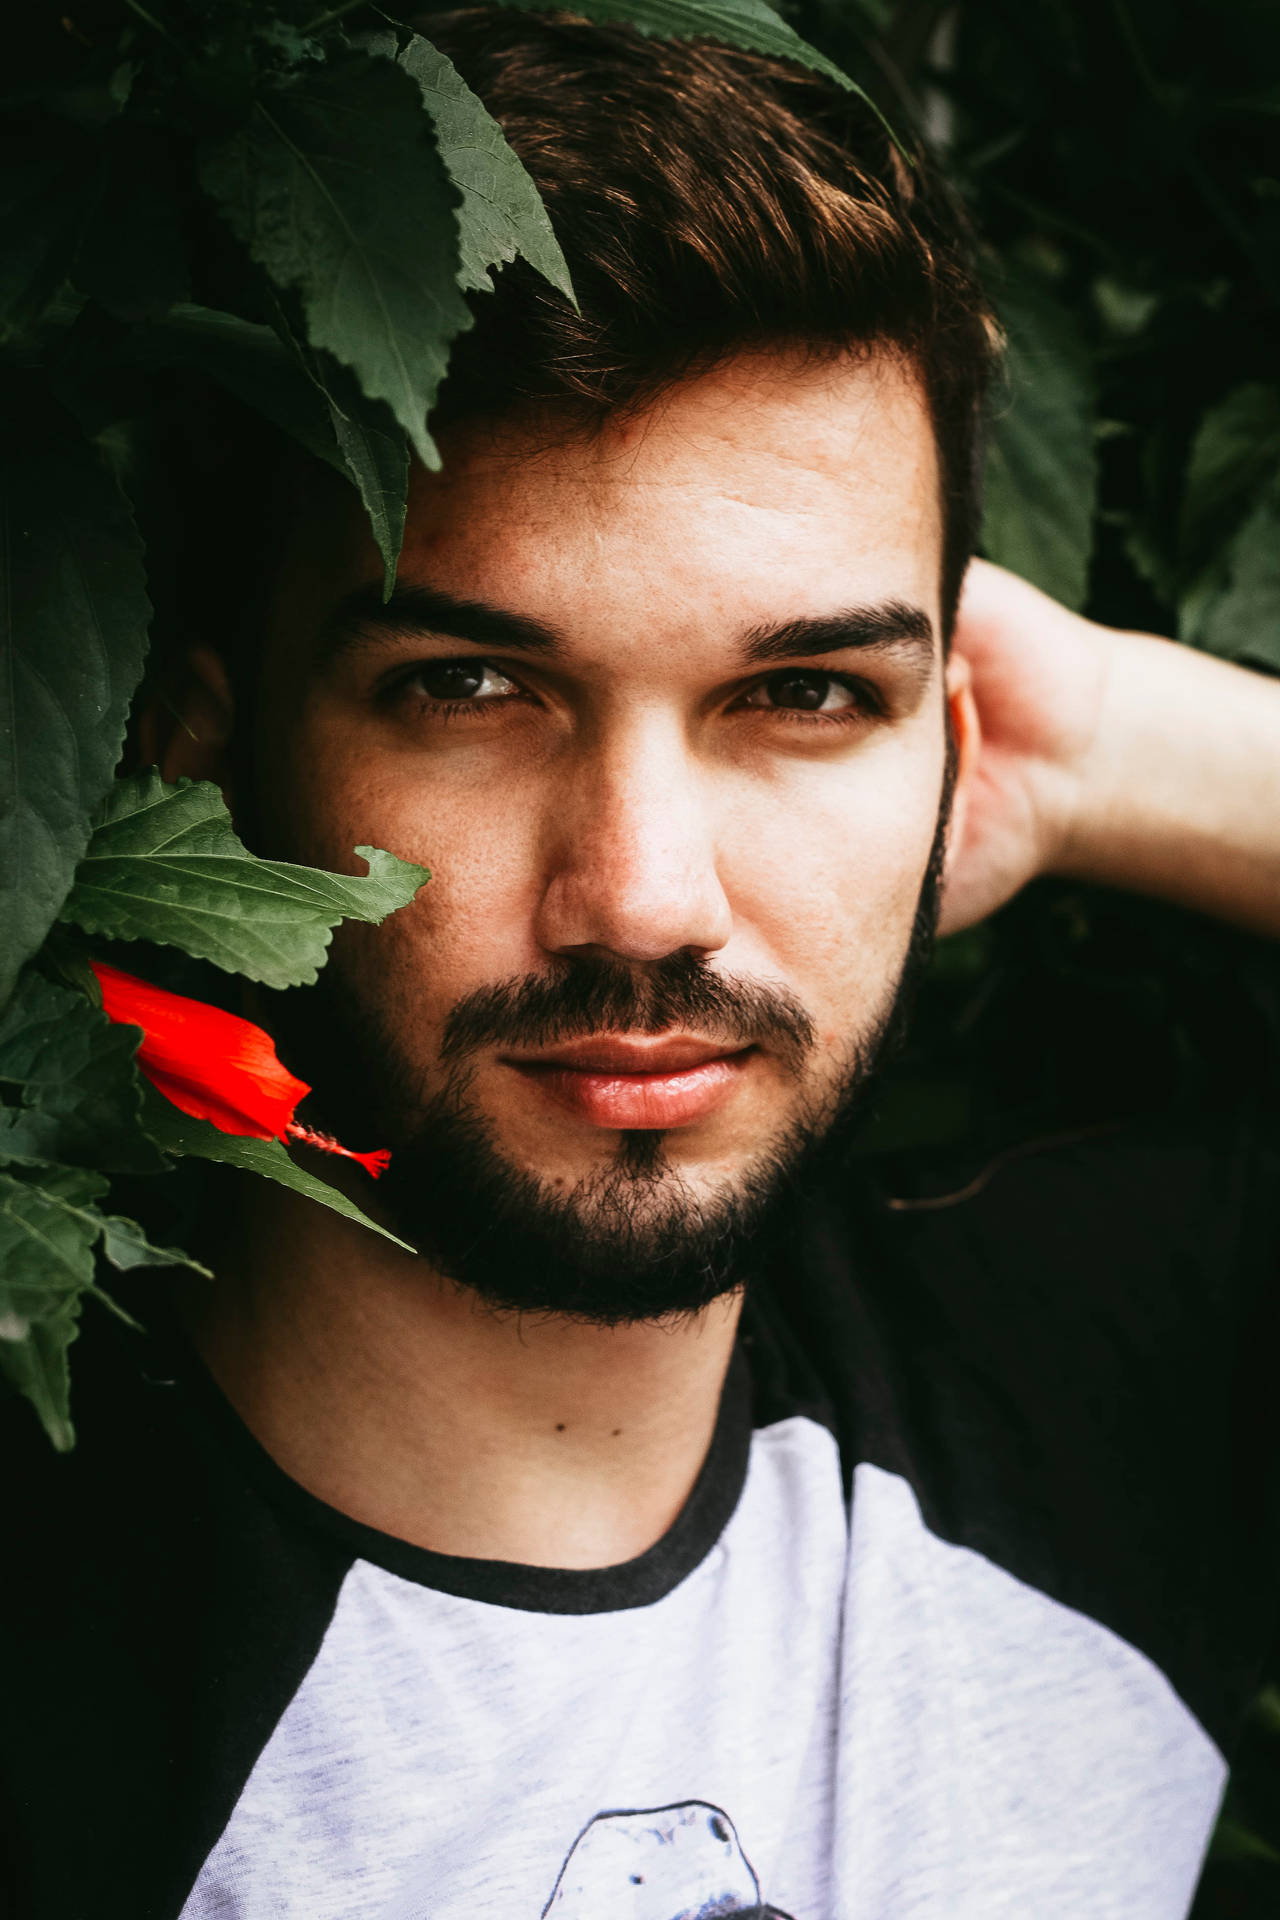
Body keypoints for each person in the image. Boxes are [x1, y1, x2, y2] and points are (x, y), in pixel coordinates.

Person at [4, 10, 1280, 1919]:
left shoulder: (1095, 1386)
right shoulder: (59, 1665)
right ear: (198, 736)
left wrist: (1100, 742)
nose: (646, 896)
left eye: (804, 693)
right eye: (472, 688)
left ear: (956, 742)